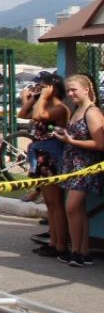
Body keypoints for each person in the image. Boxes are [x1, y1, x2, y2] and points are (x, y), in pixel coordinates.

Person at [53, 75, 103, 267]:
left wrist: (72, 141)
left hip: (85, 166)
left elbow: (100, 143)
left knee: (71, 208)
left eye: (74, 89)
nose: (70, 93)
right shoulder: (77, 110)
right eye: (69, 90)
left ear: (86, 90)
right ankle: (82, 251)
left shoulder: (92, 112)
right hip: (72, 165)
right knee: (78, 210)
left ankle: (76, 250)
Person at [20, 72, 70, 260]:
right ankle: (53, 242)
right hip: (41, 156)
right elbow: (23, 114)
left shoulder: (59, 108)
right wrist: (33, 98)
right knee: (49, 203)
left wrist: (42, 98)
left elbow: (40, 116)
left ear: (53, 88)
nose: (39, 88)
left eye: (43, 85)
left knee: (56, 203)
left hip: (52, 157)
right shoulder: (44, 103)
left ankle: (61, 245)